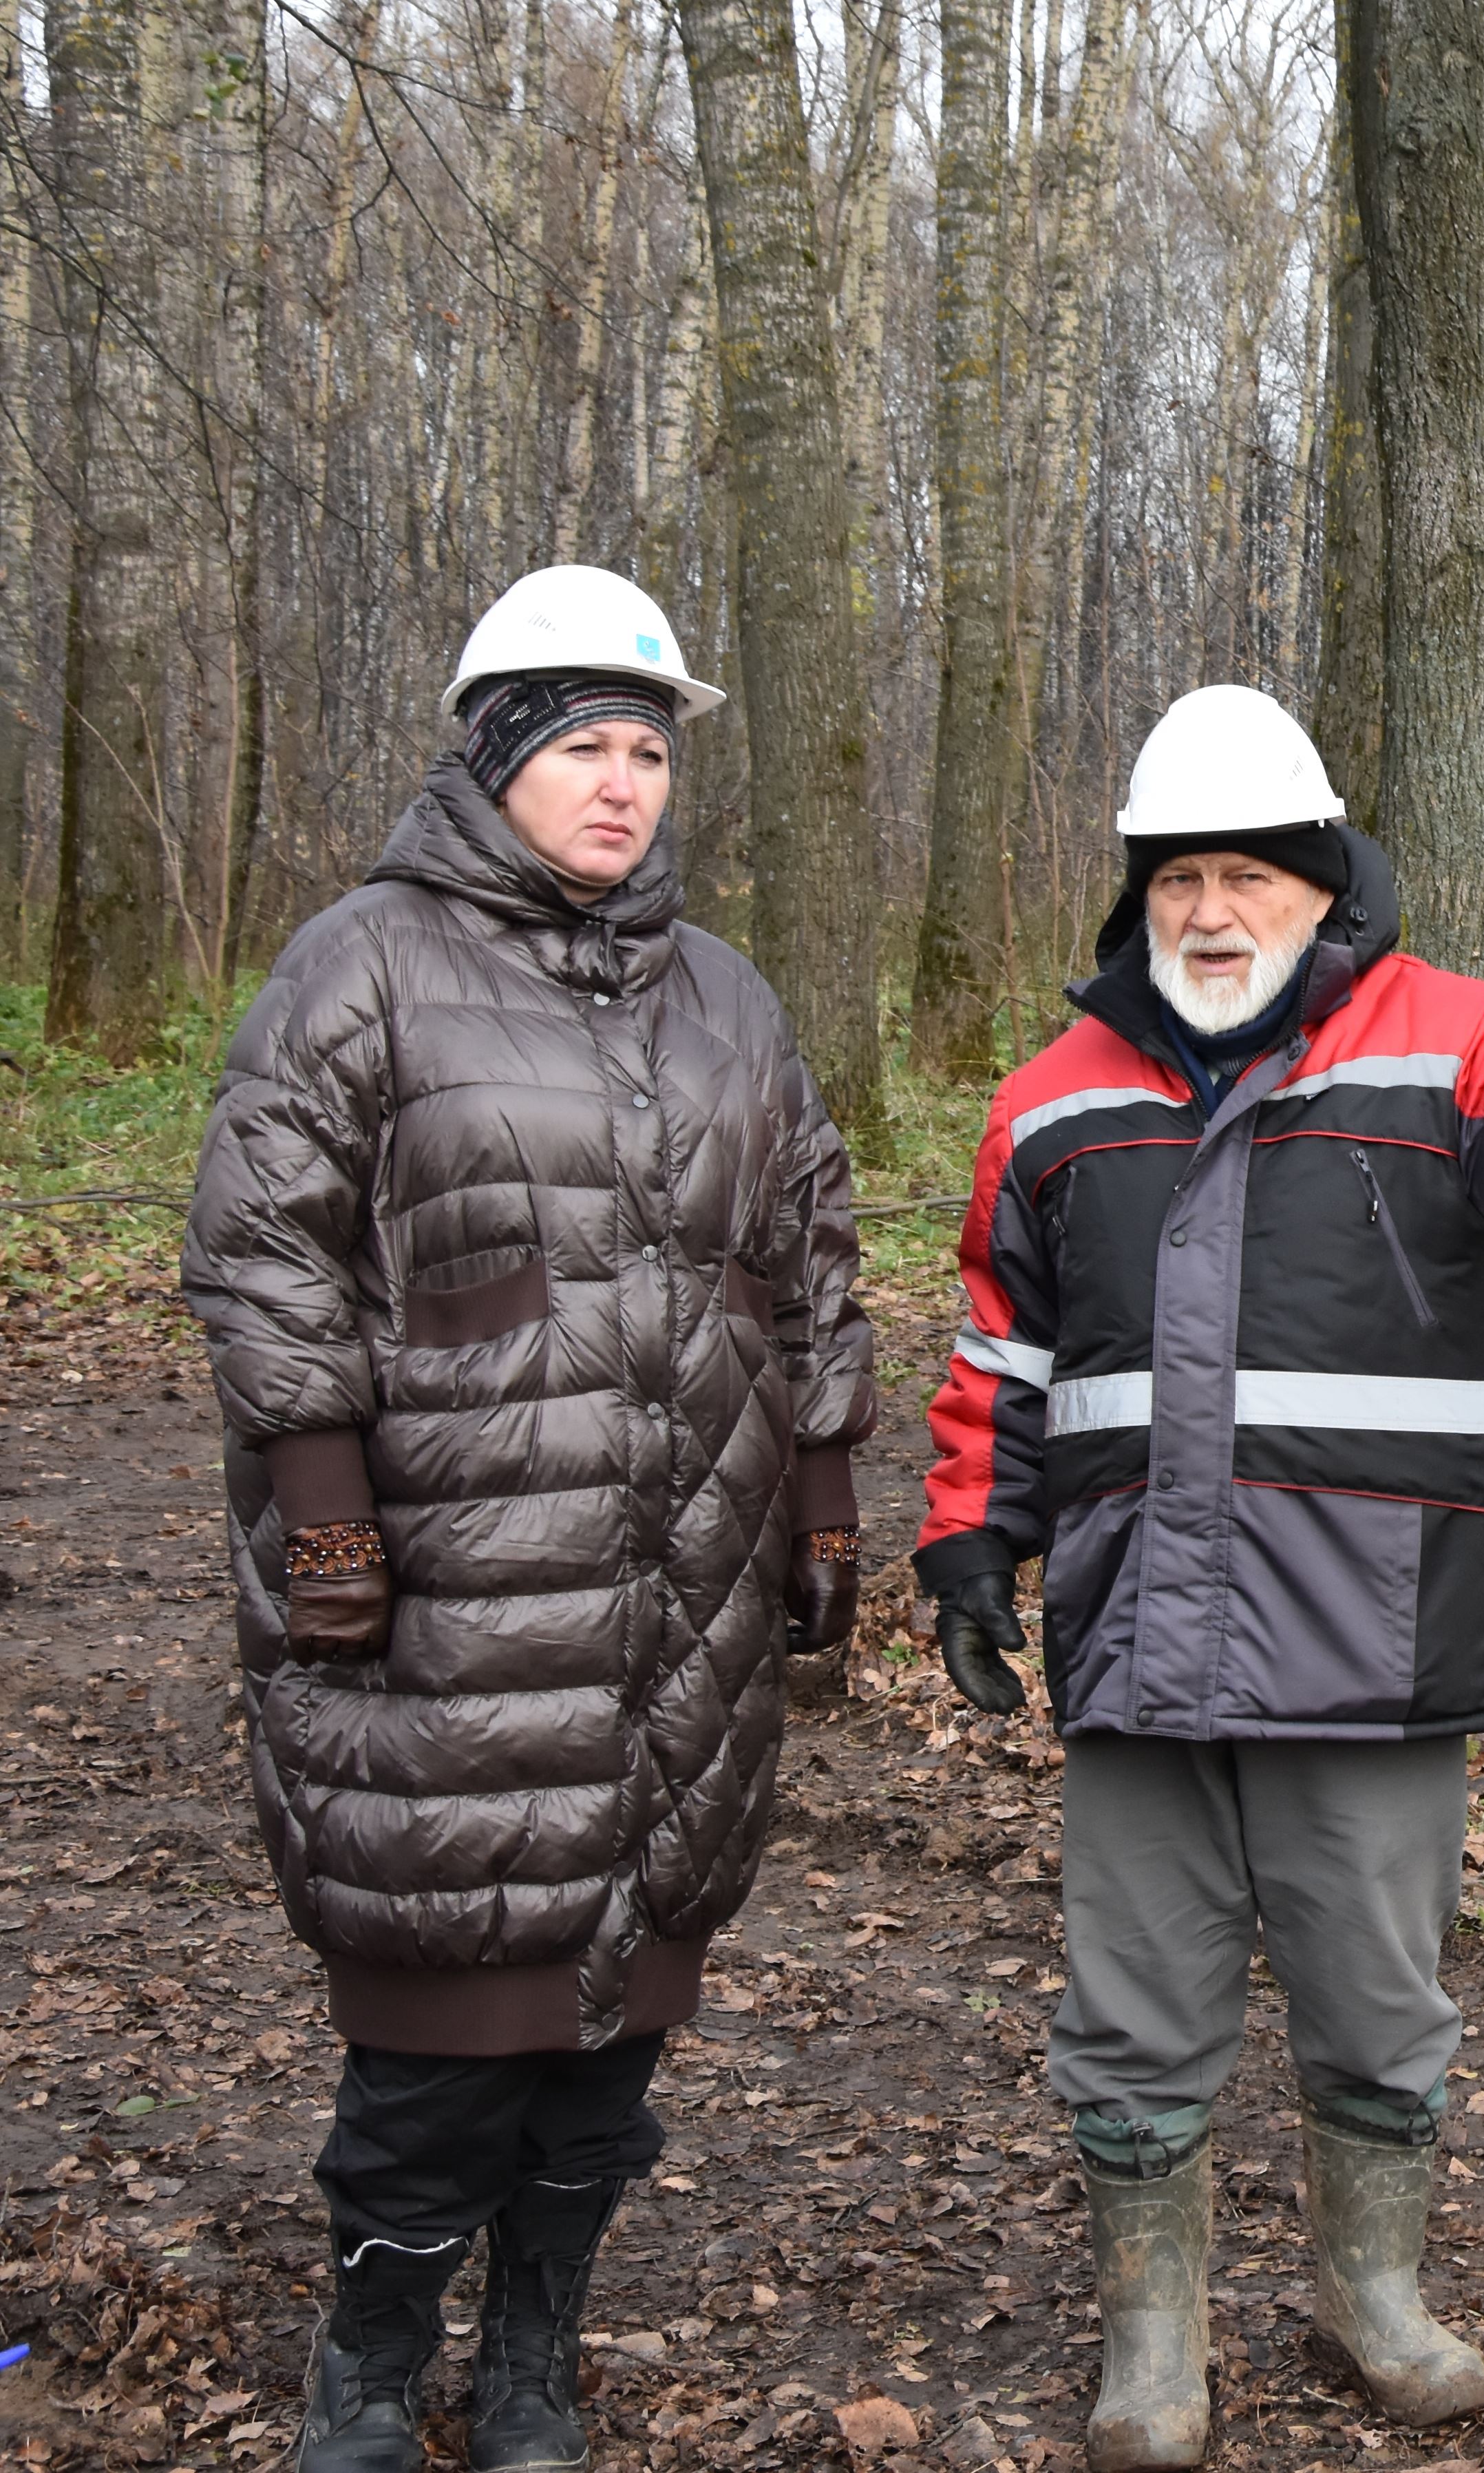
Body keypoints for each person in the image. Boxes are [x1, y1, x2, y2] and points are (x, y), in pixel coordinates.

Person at [913, 684, 1484, 2471]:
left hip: (1374, 1631)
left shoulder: (1454, 1044)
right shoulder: (1056, 1099)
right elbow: (1005, 1343)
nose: (1213, 912)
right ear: (1141, 894)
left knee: (1377, 1987)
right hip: (1134, 1628)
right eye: (1179, 877)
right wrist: (974, 1532)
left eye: (1249, 878)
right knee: (1133, 2001)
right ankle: (1152, 2336)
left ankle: (1373, 2293)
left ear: (1323, 885)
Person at [182, 564, 878, 2473]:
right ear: (493, 758)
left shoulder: (729, 998)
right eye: (582, 743)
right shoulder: (362, 967)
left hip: (682, 1607)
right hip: (448, 1600)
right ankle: (374, 2358)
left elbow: (808, 1249)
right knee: (434, 2047)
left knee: (610, 2036)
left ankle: (534, 2358)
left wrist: (818, 1496)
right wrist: (321, 1506)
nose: (621, 783)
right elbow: (262, 1256)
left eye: (647, 749)